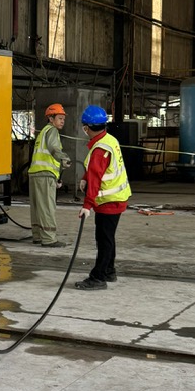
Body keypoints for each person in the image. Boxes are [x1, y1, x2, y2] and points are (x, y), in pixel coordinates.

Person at [75, 104, 130, 291]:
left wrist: (87, 205)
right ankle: (109, 271)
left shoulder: (99, 149)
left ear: (86, 128)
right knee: (108, 237)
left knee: (104, 239)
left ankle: (98, 277)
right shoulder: (109, 139)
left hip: (109, 200)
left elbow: (96, 178)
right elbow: (97, 170)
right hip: (117, 197)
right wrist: (85, 177)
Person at [27, 102, 72, 246]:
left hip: (35, 174)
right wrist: (64, 158)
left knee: (37, 207)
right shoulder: (52, 131)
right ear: (51, 119)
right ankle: (49, 238)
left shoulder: (43, 132)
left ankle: (38, 236)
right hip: (45, 175)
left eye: (63, 119)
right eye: (60, 118)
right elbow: (53, 148)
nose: (62, 121)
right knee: (47, 207)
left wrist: (57, 176)